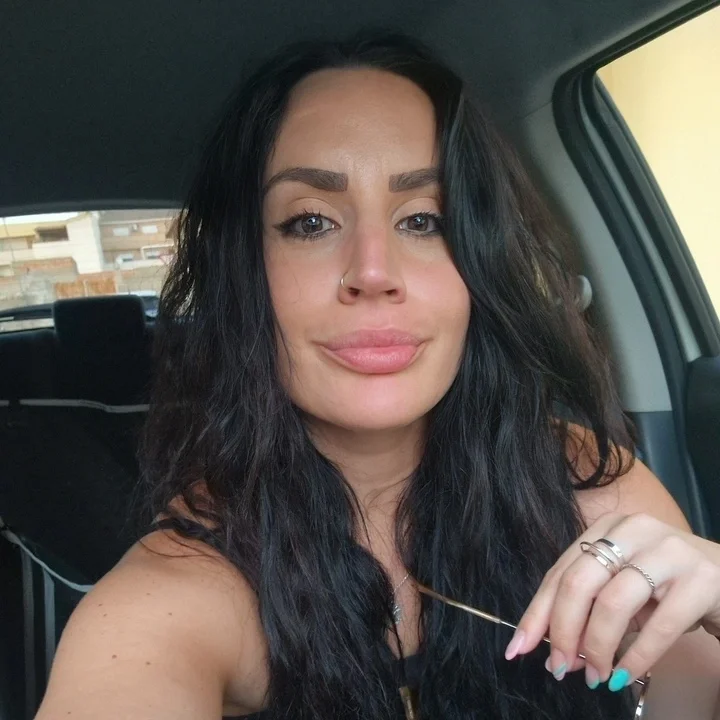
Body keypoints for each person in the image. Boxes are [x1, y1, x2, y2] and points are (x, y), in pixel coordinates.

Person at [35, 32, 720, 720]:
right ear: (245, 278)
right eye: (310, 222)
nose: (372, 271)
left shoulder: (589, 487)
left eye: (424, 220)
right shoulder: (180, 591)